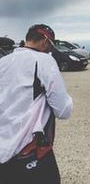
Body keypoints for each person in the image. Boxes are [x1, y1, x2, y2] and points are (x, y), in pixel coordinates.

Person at [0, 24, 74, 182]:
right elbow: (63, 111)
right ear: (44, 41)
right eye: (51, 46)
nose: (50, 50)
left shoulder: (4, 61)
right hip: (28, 148)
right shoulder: (44, 60)